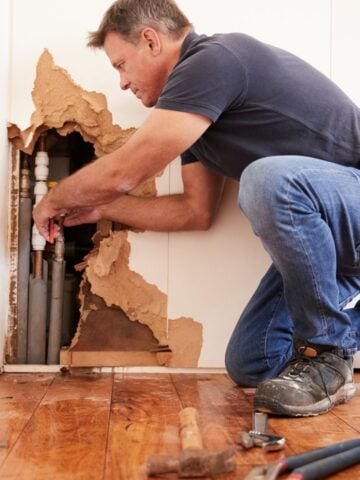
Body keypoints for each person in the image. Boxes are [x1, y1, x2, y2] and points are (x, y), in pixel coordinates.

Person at [33, 0, 360, 417]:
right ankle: (331, 341)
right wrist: (103, 210)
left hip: (353, 206)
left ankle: (326, 355)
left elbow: (125, 172)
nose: (122, 83)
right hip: (331, 240)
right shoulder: (197, 121)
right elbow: (195, 211)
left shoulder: (215, 59)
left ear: (150, 41)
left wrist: (55, 200)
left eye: (121, 65)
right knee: (253, 362)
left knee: (269, 179)